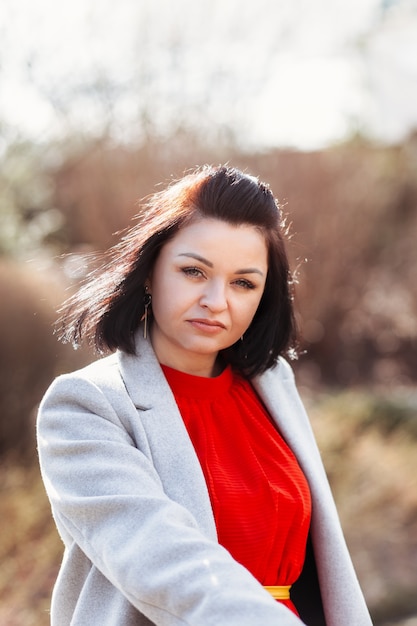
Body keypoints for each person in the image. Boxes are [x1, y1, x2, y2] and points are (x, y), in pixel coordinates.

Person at [37, 165, 373, 626]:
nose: (217, 300)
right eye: (194, 271)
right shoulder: (85, 406)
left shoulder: (273, 384)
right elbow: (159, 557)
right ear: (150, 272)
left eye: (243, 282)